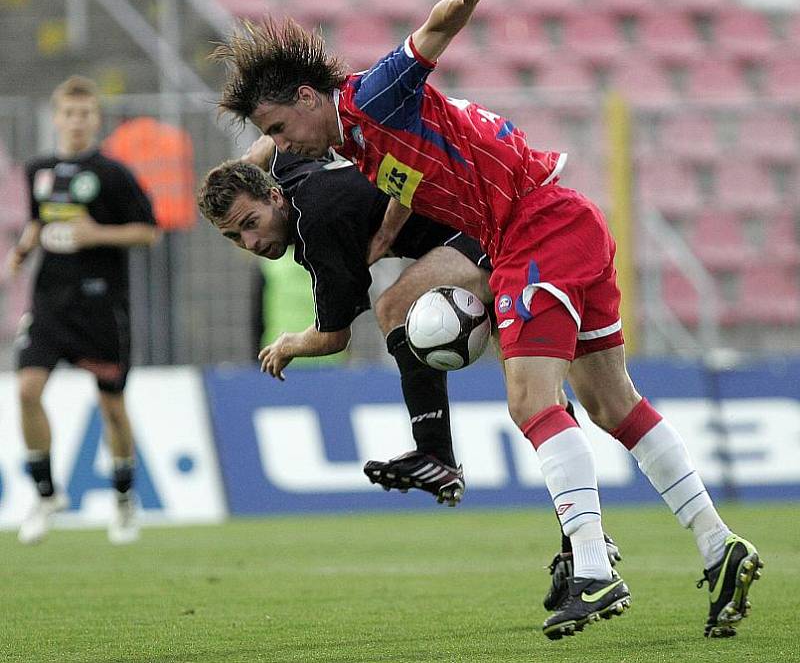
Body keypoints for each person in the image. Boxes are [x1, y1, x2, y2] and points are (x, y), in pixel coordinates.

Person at [209, 0, 764, 640]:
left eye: (281, 128)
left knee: (531, 402)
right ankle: (719, 546)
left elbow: (428, 38)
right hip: (559, 221)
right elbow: (405, 164)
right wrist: (359, 217)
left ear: (306, 97)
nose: (284, 144)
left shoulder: (370, 96)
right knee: (610, 403)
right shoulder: (348, 137)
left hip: (535, 231)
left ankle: (592, 565)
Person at [197, 139, 622, 611]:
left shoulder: (315, 221)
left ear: (273, 198)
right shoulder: (287, 175)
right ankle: (583, 544)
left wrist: (288, 344)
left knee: (395, 306)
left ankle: (437, 455)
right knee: (538, 399)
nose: (251, 243)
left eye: (251, 225)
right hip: (487, 222)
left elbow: (334, 336)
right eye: (235, 238)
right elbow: (271, 142)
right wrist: (236, 171)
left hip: (487, 228)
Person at [6, 76, 159, 545]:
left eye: (85, 114)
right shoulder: (39, 170)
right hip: (50, 302)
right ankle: (48, 494)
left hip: (101, 306)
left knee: (111, 405)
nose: (76, 122)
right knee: (28, 390)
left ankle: (124, 499)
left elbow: (148, 232)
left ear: (95, 119)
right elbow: (39, 221)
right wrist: (21, 252)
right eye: (69, 114)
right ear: (57, 118)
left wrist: (98, 235)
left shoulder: (113, 174)